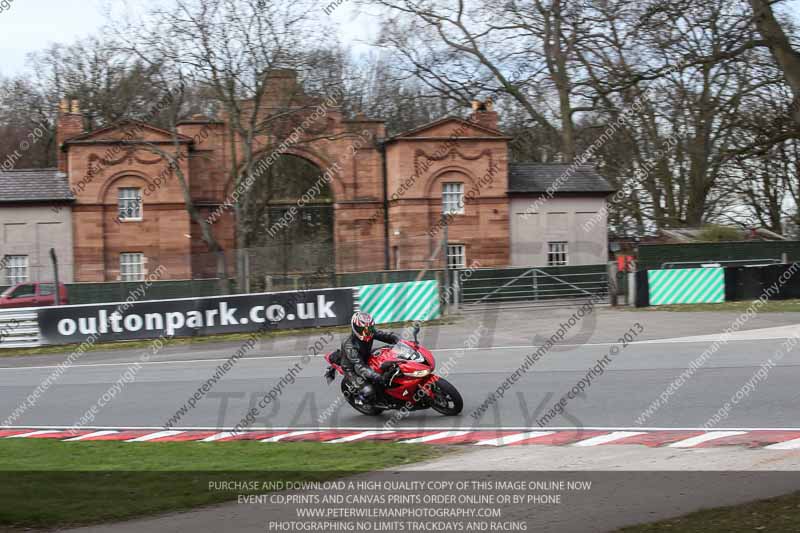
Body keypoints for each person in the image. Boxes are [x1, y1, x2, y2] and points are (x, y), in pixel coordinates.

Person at [340, 311, 400, 404]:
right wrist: (377, 377)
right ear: (355, 328)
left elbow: (386, 336)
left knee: (389, 352)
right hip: (352, 368)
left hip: (366, 356)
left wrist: (399, 340)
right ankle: (360, 400)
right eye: (363, 330)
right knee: (369, 391)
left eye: (369, 329)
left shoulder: (369, 332)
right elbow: (360, 367)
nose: (366, 332)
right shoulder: (349, 345)